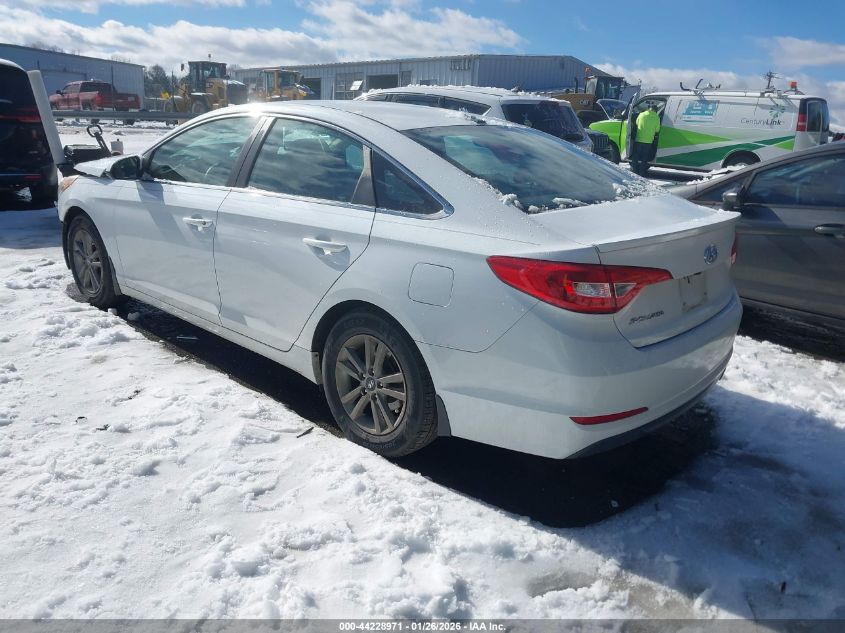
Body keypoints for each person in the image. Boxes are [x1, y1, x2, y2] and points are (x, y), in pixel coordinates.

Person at [631, 104, 661, 176]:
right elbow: (657, 130)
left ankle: (634, 171)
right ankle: (641, 172)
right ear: (655, 111)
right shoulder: (657, 117)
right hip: (648, 141)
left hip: (639, 139)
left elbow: (637, 123)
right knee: (644, 157)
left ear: (649, 109)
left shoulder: (641, 114)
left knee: (636, 156)